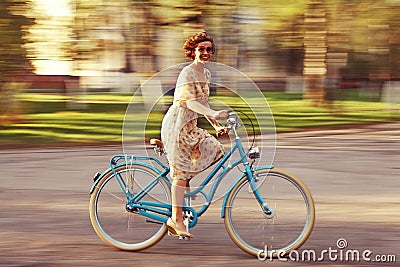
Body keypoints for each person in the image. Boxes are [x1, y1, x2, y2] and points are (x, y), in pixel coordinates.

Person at [161, 31, 229, 238]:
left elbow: (203, 102)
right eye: (202, 49)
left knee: (215, 148)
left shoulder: (206, 74)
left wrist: (215, 124)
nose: (206, 52)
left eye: (209, 49)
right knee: (181, 174)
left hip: (191, 126)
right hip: (177, 126)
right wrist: (213, 113)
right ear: (193, 51)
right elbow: (189, 102)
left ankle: (181, 184)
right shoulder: (187, 73)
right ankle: (176, 218)